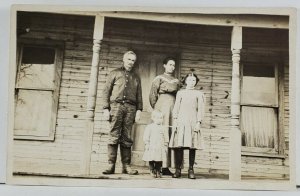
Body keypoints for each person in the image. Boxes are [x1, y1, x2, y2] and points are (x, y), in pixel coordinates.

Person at [101, 51, 143, 175]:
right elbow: (106, 92)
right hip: (116, 106)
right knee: (114, 134)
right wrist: (105, 108)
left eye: (133, 60)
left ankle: (126, 166)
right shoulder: (114, 73)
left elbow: (139, 95)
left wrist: (139, 110)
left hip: (130, 108)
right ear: (124, 60)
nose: (131, 62)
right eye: (129, 59)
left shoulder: (136, 77)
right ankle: (111, 165)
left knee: (127, 136)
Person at [169, 72, 205, 179]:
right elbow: (176, 107)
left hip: (192, 122)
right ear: (185, 81)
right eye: (189, 80)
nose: (191, 82)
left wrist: (198, 122)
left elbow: (200, 110)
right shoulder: (180, 93)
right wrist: (175, 120)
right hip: (181, 121)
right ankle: (178, 169)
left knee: (192, 146)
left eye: (193, 80)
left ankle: (190, 169)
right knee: (178, 146)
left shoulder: (199, 94)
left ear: (196, 82)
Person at [149, 57, 181, 176]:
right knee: (161, 136)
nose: (172, 67)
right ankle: (158, 165)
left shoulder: (177, 81)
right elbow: (152, 95)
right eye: (170, 64)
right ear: (164, 65)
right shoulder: (159, 78)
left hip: (173, 109)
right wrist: (157, 110)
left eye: (173, 65)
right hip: (161, 108)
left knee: (170, 135)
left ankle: (167, 166)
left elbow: (179, 96)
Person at [142, 110, 168, 178]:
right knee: (151, 159)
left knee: (159, 160)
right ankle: (152, 170)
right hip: (152, 146)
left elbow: (166, 137)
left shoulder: (163, 128)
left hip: (160, 147)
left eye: (161, 118)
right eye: (158, 118)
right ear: (153, 118)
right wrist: (147, 144)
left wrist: (165, 145)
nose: (160, 120)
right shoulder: (150, 127)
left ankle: (158, 171)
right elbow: (146, 136)